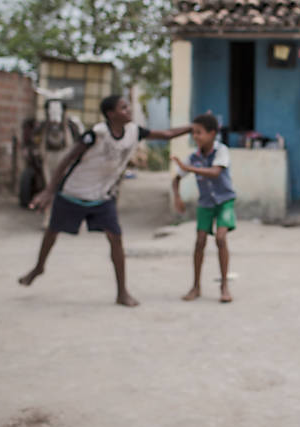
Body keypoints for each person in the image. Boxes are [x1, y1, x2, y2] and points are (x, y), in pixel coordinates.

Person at [18, 95, 191, 307]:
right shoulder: (96, 135)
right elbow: (66, 160)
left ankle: (122, 292)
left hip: (102, 196)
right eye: (124, 107)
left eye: (128, 107)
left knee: (116, 238)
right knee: (52, 232)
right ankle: (39, 267)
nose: (128, 110)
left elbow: (167, 134)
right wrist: (49, 190)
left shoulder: (134, 132)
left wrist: (193, 127)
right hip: (74, 192)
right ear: (111, 114)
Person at [171, 113, 237, 303]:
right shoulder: (193, 157)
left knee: (221, 238)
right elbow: (176, 179)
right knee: (200, 241)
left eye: (199, 133)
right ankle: (196, 286)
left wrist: (189, 169)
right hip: (206, 203)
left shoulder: (221, 151)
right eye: (194, 133)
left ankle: (224, 285)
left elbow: (216, 172)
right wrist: (177, 197)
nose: (196, 137)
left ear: (212, 134)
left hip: (224, 201)